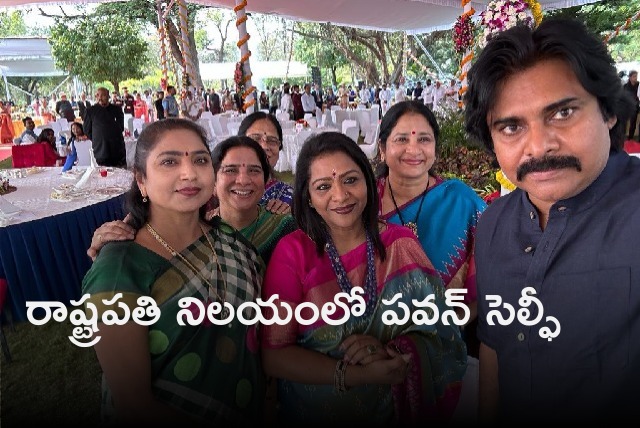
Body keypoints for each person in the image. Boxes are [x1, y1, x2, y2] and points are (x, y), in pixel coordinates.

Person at [464, 18, 639, 424]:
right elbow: (494, 347)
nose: (539, 145)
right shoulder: (491, 225)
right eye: (511, 126)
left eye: (562, 112)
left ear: (608, 111)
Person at [260, 132, 466, 426]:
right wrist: (356, 375)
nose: (340, 196)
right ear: (307, 196)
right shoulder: (293, 253)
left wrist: (392, 350)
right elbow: (275, 355)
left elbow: (443, 333)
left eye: (350, 180)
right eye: (323, 186)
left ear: (368, 182)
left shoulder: (401, 245)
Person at [81, 118, 265, 426]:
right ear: (141, 180)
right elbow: (134, 405)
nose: (189, 173)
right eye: (169, 161)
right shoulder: (119, 269)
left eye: (200, 160)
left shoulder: (230, 240)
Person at [376, 100, 486, 356]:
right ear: (382, 148)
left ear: (435, 149)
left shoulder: (462, 201)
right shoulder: (364, 203)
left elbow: (488, 278)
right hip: (373, 347)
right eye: (401, 139)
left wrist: (444, 330)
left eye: (424, 139)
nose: (413, 149)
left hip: (448, 340)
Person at [84, 87, 126, 167]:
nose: (100, 98)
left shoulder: (117, 109)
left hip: (117, 149)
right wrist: (99, 138)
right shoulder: (90, 111)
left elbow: (121, 127)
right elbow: (87, 130)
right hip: (100, 150)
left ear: (108, 96)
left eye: (103, 95)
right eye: (97, 95)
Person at [623, 70, 639, 140]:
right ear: (630, 77)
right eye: (634, 76)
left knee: (633, 122)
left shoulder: (638, 85)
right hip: (626, 106)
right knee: (624, 122)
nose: (635, 78)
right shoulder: (625, 86)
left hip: (635, 106)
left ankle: (630, 137)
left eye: (636, 76)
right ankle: (622, 136)